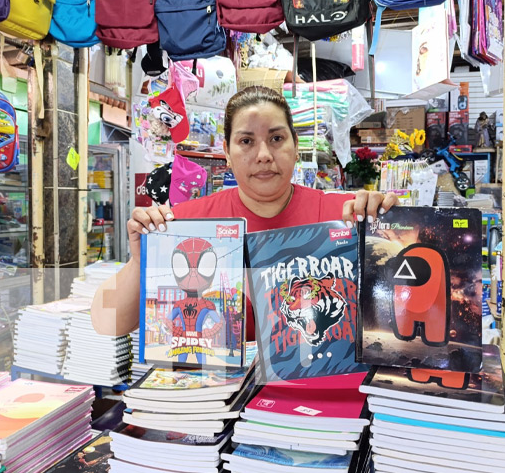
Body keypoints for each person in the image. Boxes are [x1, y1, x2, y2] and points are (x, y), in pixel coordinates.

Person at [91, 86, 398, 338]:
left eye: (277, 139)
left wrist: (389, 230)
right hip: (213, 403)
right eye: (246, 141)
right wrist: (139, 260)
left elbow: (399, 311)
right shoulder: (183, 223)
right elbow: (107, 324)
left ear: (295, 143)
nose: (264, 155)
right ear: (226, 150)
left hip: (320, 400)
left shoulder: (343, 216)